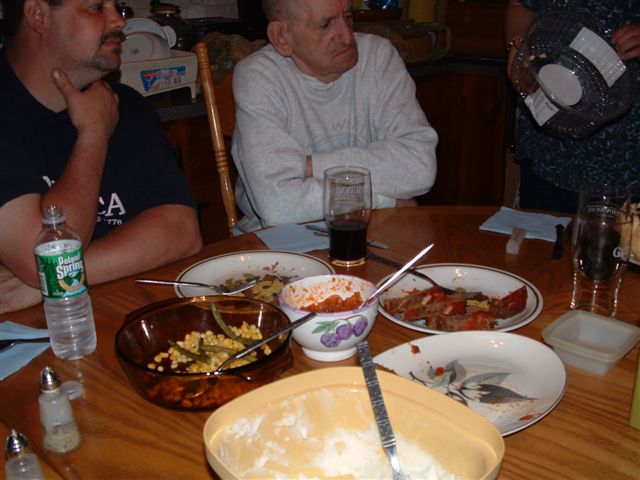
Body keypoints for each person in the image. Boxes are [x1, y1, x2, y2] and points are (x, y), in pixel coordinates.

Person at [0, 0, 202, 314]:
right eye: (96, 7)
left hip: (113, 314)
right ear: (38, 15)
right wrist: (93, 134)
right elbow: (37, 254)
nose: (119, 20)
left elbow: (182, 232)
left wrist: (52, 279)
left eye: (116, 6)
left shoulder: (124, 104)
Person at [230, 0, 438, 232]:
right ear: (282, 37)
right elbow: (278, 206)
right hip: (276, 244)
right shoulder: (258, 76)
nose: (347, 37)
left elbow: (420, 168)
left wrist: (312, 165)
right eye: (326, 25)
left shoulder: (378, 57)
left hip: (376, 233)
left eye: (348, 17)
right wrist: (382, 201)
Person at [505, 0, 640, 213]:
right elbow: (521, 6)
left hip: (629, 157)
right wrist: (519, 46)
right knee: (542, 233)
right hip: (550, 146)